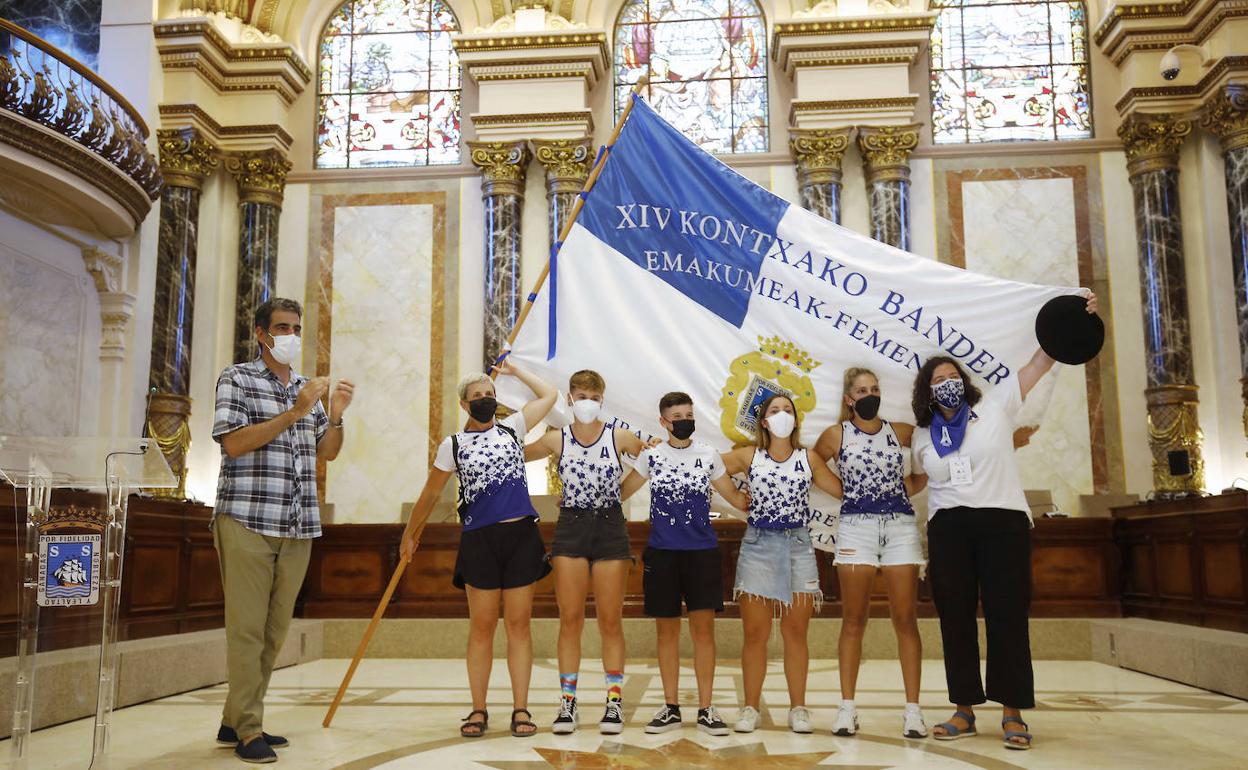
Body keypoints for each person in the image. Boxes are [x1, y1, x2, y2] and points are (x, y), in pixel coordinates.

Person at [912, 292, 1097, 751]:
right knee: (955, 618)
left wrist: (1075, 312)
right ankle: (964, 710)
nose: (948, 383)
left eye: (953, 376)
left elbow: (1042, 360)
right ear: (927, 391)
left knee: (1007, 616)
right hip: (949, 528)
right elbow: (917, 483)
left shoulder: (994, 407)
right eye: (939, 380)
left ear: (965, 382)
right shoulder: (920, 435)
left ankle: (1012, 712)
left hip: (1003, 524)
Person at [212, 297, 354, 765]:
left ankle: (236, 717)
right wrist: (293, 412)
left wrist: (333, 413)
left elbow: (327, 452)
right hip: (247, 520)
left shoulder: (305, 388)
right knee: (247, 631)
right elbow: (233, 444)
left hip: (298, 525)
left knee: (274, 632)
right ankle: (248, 730)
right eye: (281, 327)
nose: (291, 334)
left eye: (296, 327)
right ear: (261, 333)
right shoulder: (237, 379)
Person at [399, 360, 557, 739]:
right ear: (465, 405)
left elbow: (549, 396)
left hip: (520, 537)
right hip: (479, 541)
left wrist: (515, 371)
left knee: (519, 625)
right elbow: (431, 492)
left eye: (489, 394)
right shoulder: (452, 445)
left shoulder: (513, 428)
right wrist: (410, 532)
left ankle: (521, 708)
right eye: (477, 397)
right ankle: (479, 709)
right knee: (482, 627)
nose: (485, 400)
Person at [523, 370, 646, 735]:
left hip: (609, 528)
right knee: (571, 617)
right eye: (581, 395)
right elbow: (510, 453)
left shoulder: (618, 436)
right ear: (570, 399)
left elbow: (653, 459)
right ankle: (568, 702)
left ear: (602, 399)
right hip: (571, 528)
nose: (588, 401)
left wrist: (620, 495)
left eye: (594, 395)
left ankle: (613, 703)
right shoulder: (555, 438)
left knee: (610, 618)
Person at [620, 391, 748, 737]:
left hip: (702, 553)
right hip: (662, 553)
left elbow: (736, 498)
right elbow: (620, 492)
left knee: (703, 632)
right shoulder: (653, 456)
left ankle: (706, 709)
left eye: (688, 414)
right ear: (664, 422)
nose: (684, 421)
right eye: (676, 416)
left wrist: (766, 493)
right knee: (667, 631)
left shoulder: (709, 456)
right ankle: (671, 707)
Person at [814, 368, 928, 739]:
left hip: (899, 527)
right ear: (849, 398)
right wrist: (843, 492)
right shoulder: (836, 434)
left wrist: (904, 489)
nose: (870, 394)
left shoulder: (901, 431)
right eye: (862, 390)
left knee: (906, 618)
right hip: (855, 529)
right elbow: (813, 465)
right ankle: (847, 707)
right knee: (853, 619)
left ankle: (913, 710)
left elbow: (925, 464)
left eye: (875, 388)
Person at [723, 394, 843, 734]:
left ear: (796, 419)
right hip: (758, 545)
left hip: (798, 547)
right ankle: (750, 707)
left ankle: (798, 707)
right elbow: (710, 466)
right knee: (755, 634)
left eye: (787, 411)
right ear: (763, 421)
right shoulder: (750, 455)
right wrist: (734, 497)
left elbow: (841, 491)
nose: (782, 415)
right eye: (774, 411)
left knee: (795, 633)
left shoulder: (809, 458)